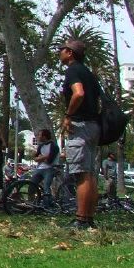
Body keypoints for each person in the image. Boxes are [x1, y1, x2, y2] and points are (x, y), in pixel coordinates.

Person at [59, 38, 101, 230]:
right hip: (93, 126)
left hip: (80, 126)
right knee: (90, 174)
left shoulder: (73, 70)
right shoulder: (88, 73)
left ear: (70, 53)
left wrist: (68, 115)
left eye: (62, 49)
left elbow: (79, 93)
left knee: (81, 175)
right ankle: (88, 218)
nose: (60, 52)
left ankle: (81, 219)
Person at [33, 128, 59, 204]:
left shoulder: (54, 146)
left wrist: (41, 157)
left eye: (39, 135)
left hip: (50, 168)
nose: (38, 137)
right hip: (39, 168)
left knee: (46, 187)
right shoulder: (41, 146)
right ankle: (31, 203)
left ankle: (47, 204)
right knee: (32, 184)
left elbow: (49, 161)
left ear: (44, 136)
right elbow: (35, 158)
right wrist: (45, 156)